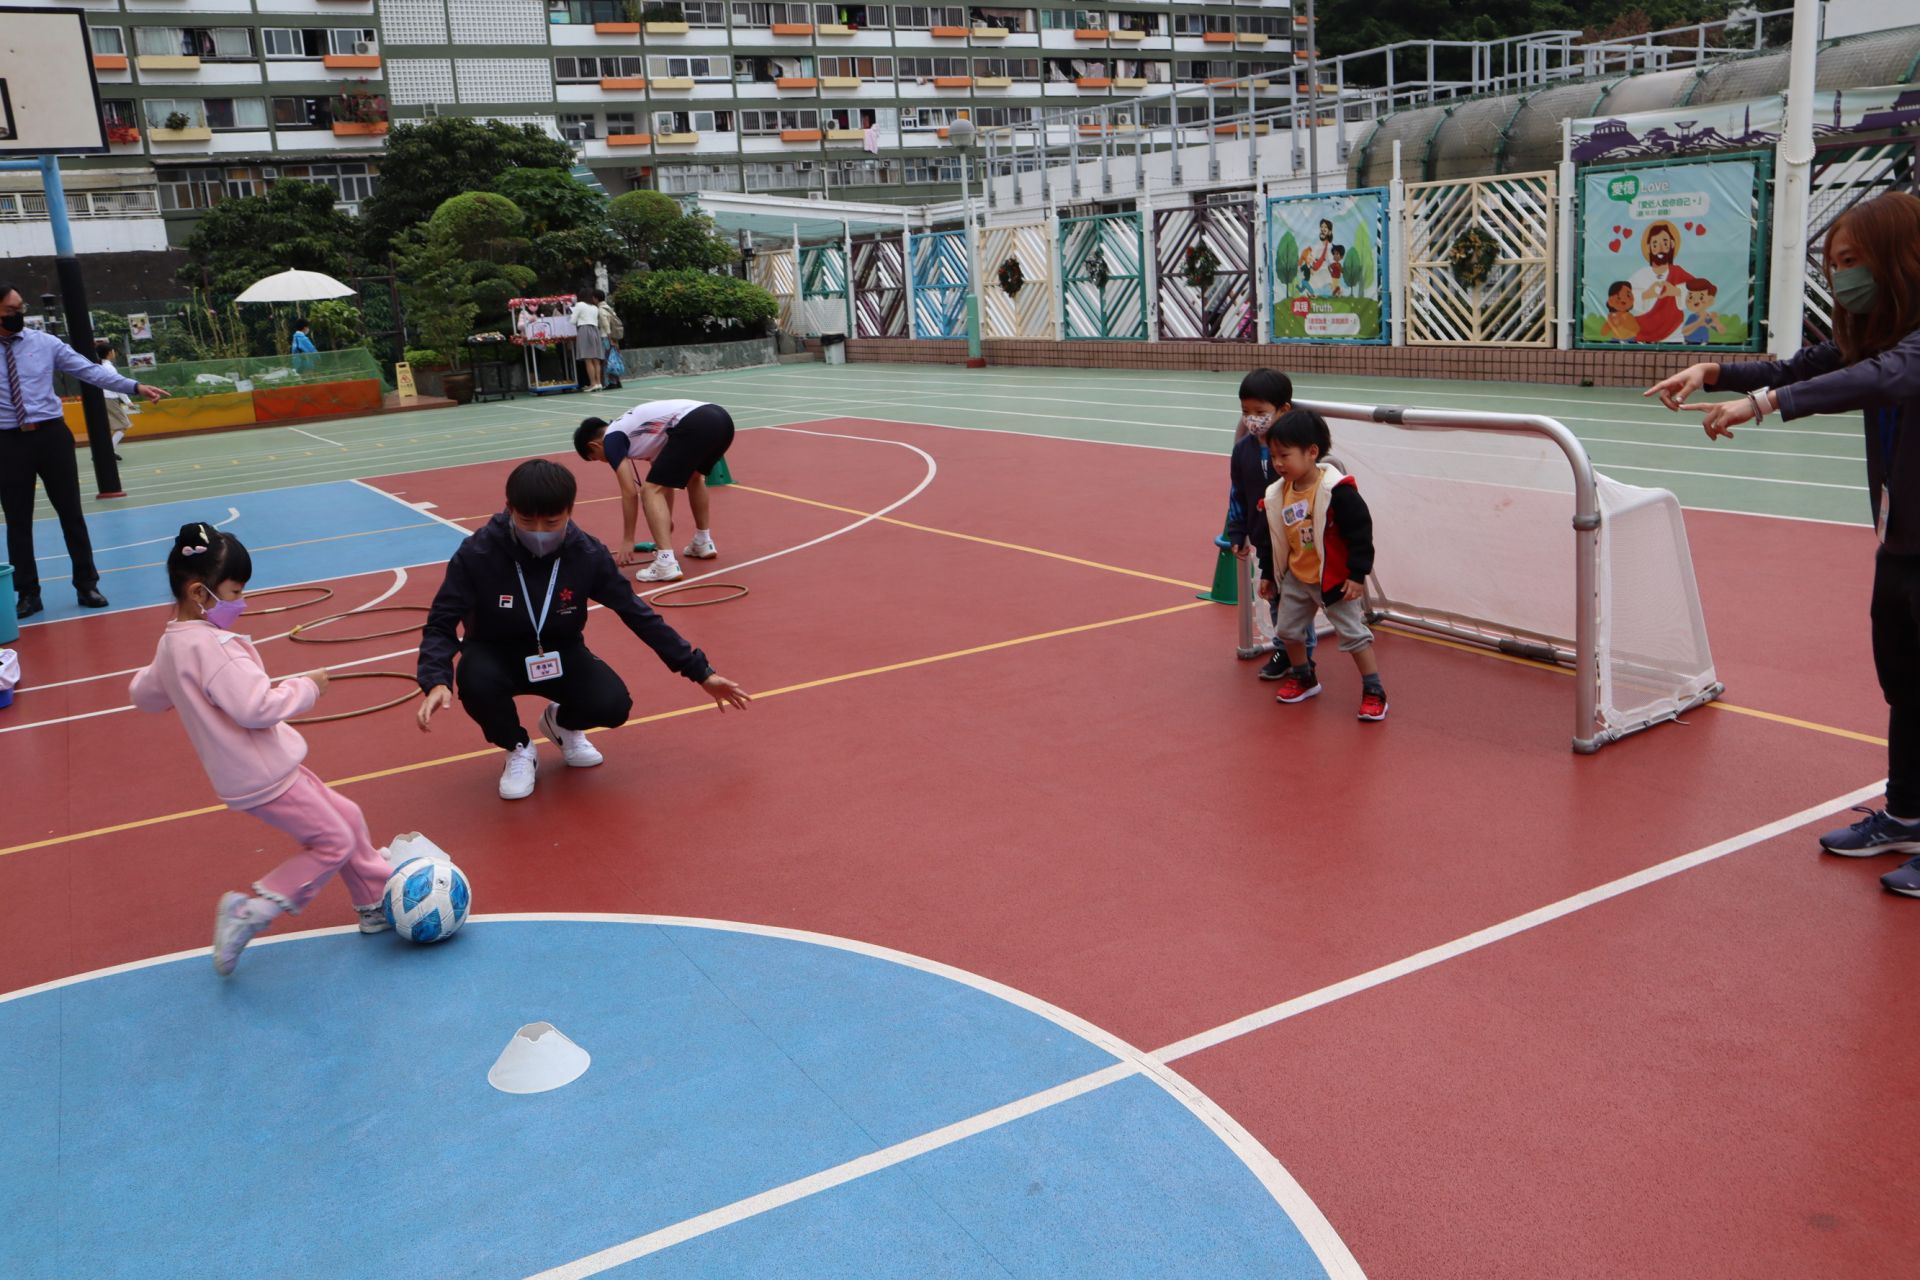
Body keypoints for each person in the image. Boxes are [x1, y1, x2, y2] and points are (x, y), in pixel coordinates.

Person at [1645, 190, 1920, 896]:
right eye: (1835, 266)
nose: (1844, 278)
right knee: (1905, 685)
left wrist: (1762, 407)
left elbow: (1882, 379)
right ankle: (1907, 813)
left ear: (1898, 256)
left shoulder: (1906, 348)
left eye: (1854, 261)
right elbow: (1807, 365)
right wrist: (1716, 373)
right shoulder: (1880, 333)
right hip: (1901, 541)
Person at [128, 522, 394, 976]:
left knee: (345, 815)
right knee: (333, 840)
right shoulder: (214, 648)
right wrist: (307, 687)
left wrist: (176, 683)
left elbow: (145, 693)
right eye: (233, 592)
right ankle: (250, 913)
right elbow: (256, 707)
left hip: (257, 771)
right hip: (263, 773)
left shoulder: (173, 641)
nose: (239, 603)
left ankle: (373, 899)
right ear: (199, 593)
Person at [416, 458, 750, 800]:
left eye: (552, 521)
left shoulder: (586, 554)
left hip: (561, 651)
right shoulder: (478, 553)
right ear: (509, 509)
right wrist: (436, 679)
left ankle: (562, 724)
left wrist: (700, 671)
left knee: (613, 706)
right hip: (493, 653)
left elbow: (636, 613)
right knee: (473, 679)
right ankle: (517, 747)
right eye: (527, 520)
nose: (540, 531)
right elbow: (441, 622)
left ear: (570, 511)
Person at [1, 282, 169, 619]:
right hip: (7, 442)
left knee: (71, 513)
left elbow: (90, 371)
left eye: (21, 308)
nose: (20, 315)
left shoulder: (44, 343)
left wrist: (135, 386)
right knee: (18, 521)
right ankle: (27, 592)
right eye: (11, 311)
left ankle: (87, 584)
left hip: (51, 436)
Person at [1259, 407, 1386, 721]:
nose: (1277, 463)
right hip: (1297, 579)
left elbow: (1361, 532)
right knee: (1287, 631)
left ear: (1312, 452)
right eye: (1273, 456)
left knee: (1354, 635)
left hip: (1333, 580)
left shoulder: (1336, 492)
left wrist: (1357, 575)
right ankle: (1304, 676)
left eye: (1284, 455)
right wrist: (1267, 573)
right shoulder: (1277, 494)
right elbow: (1272, 538)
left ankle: (1374, 690)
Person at [574, 399, 737, 584]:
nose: (604, 462)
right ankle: (703, 542)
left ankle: (666, 563)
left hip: (695, 422)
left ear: (594, 446)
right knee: (694, 477)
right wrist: (666, 519)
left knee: (648, 491)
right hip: (722, 420)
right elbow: (664, 483)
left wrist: (628, 539)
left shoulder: (612, 439)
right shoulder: (640, 434)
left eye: (596, 459)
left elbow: (629, 492)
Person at [1225, 368, 1313, 680]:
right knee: (1274, 596)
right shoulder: (1242, 451)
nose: (1251, 419)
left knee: (1299, 599)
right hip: (1265, 541)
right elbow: (1238, 493)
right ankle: (1286, 649)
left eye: (1260, 412)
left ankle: (1304, 657)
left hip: (1296, 540)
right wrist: (1237, 531)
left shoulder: (1294, 452)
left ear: (1283, 410)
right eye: (1245, 411)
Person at [96, 339, 135, 461]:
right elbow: (118, 386)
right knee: (123, 425)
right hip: (110, 398)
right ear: (109, 353)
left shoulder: (100, 366)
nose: (114, 353)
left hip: (104, 398)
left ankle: (104, 451)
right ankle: (108, 452)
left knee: (112, 426)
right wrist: (128, 401)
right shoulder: (109, 368)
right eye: (113, 351)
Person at [572, 293, 604, 393]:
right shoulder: (595, 307)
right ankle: (599, 383)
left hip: (584, 329)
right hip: (595, 330)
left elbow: (573, 320)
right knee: (596, 358)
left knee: (588, 358)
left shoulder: (579, 305)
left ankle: (592, 383)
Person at [595, 289, 624, 391]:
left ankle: (612, 382)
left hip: (606, 338)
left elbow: (606, 326)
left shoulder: (601, 310)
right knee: (614, 358)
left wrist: (609, 338)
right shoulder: (609, 308)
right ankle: (617, 380)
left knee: (608, 360)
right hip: (614, 338)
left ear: (596, 298)